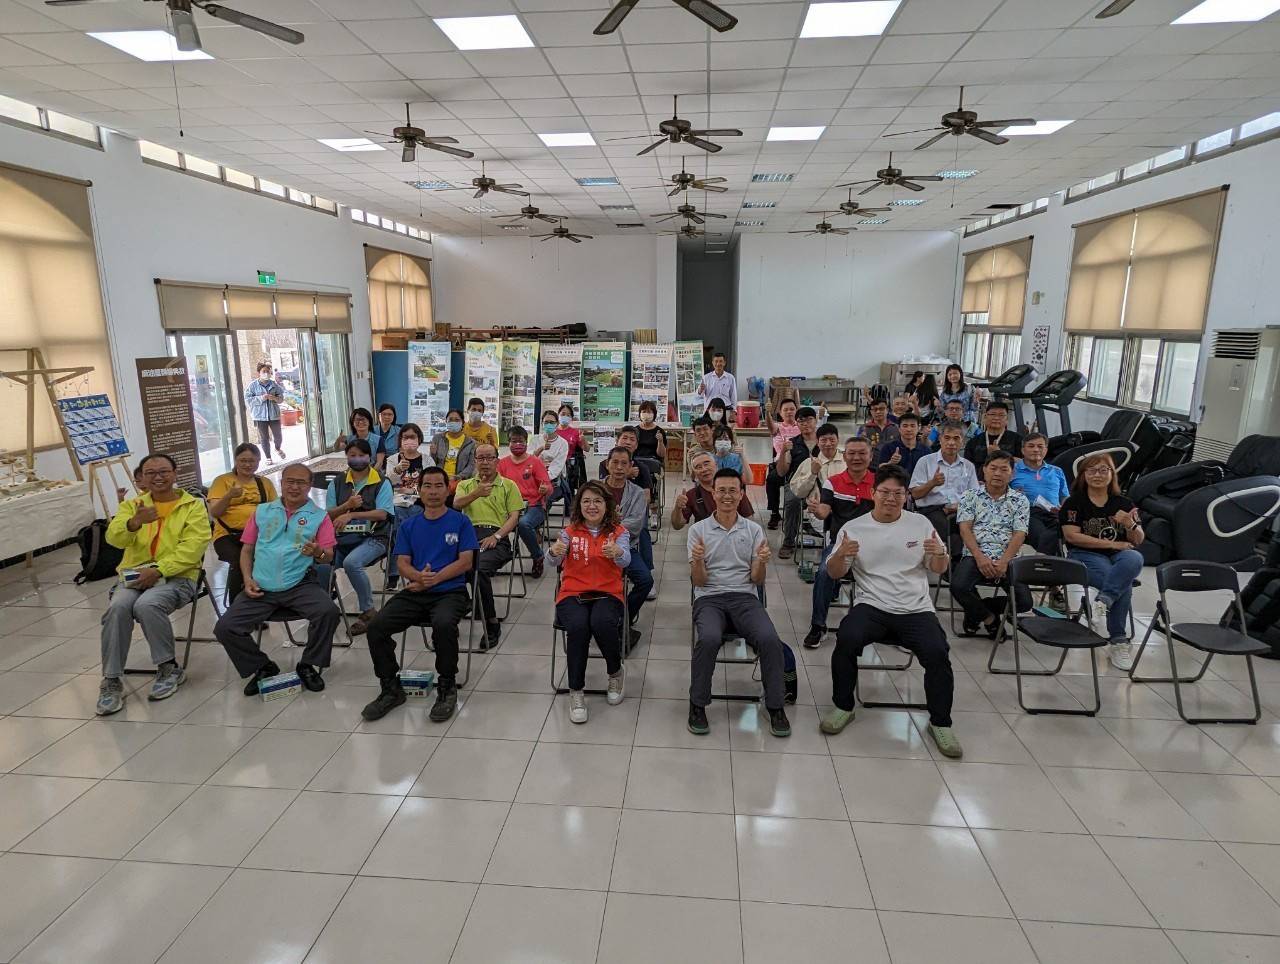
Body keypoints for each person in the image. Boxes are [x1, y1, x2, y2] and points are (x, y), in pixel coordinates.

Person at [817, 465, 962, 759]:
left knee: (937, 652)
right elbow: (833, 573)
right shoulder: (854, 529)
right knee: (847, 639)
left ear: (906, 496)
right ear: (873, 493)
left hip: (916, 607)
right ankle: (843, 706)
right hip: (872, 605)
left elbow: (938, 568)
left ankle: (941, 723)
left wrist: (939, 555)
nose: (891, 499)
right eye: (885, 492)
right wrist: (841, 555)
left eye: (898, 493)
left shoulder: (920, 524)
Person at [361, 467, 479, 724]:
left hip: (450, 591)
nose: (433, 491)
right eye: (427, 486)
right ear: (419, 490)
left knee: (444, 625)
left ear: (447, 490)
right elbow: (402, 562)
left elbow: (466, 562)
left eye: (438, 486)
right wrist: (418, 578)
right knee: (377, 626)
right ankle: (390, 687)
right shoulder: (409, 525)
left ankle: (447, 685)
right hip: (416, 590)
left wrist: (434, 579)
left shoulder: (461, 522)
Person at [95, 453, 211, 715]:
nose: (158, 477)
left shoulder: (192, 507)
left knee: (148, 605)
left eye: (163, 471)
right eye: (151, 473)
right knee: (118, 608)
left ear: (175, 473)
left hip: (179, 576)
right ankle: (111, 679)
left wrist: (158, 570)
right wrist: (134, 523)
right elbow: (114, 539)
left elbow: (193, 549)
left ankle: (169, 668)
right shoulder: (133, 506)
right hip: (134, 576)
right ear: (142, 478)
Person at [213, 463, 340, 696]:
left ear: (310, 485)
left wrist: (317, 552)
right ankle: (262, 666)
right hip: (262, 585)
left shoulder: (319, 517)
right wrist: (247, 578)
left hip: (300, 583)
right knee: (225, 628)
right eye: (289, 481)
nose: (294, 487)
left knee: (328, 613)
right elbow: (246, 550)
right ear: (281, 483)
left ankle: (308, 664)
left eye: (301, 482)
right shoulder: (262, 511)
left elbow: (328, 557)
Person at [687, 469, 790, 739]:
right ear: (713, 493)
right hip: (709, 598)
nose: (727, 496)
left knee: (769, 639)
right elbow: (699, 582)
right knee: (708, 638)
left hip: (745, 598)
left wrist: (762, 562)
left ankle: (775, 706)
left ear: (742, 494)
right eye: (721, 490)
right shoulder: (698, 531)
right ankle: (698, 704)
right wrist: (697, 560)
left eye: (733, 490)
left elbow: (757, 579)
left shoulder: (753, 530)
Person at [549, 481, 629, 724]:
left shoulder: (619, 532)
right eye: (586, 501)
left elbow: (626, 561)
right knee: (578, 627)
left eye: (597, 501)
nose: (592, 506)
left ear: (607, 505)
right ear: (579, 506)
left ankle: (615, 672)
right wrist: (553, 552)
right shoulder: (569, 532)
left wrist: (617, 553)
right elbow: (552, 561)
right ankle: (576, 691)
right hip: (573, 593)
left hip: (608, 592)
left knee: (602, 622)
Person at [1062, 453, 1146, 670]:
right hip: (1084, 556)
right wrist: (1113, 544)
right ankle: (1118, 640)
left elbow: (1138, 540)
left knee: (1135, 557)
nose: (1097, 475)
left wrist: (1130, 525)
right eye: (1091, 470)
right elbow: (1072, 537)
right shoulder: (1074, 503)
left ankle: (1103, 601)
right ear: (1083, 475)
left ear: (1112, 474)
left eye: (1103, 470)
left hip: (1119, 556)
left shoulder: (1124, 503)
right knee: (1123, 583)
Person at [953, 451, 1033, 638]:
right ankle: (989, 618)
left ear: (1012, 473)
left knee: (1024, 603)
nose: (998, 473)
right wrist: (980, 558)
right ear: (984, 470)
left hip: (1008, 557)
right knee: (958, 586)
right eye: (993, 468)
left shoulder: (1020, 500)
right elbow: (965, 530)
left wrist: (1004, 561)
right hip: (976, 554)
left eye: (1004, 469)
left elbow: (1020, 533)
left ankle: (977, 610)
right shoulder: (970, 495)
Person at [804, 438, 876, 648]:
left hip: (875, 547)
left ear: (871, 456)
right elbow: (824, 511)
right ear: (844, 457)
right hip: (840, 546)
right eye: (851, 453)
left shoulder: (879, 482)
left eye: (862, 453)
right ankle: (818, 626)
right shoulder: (833, 482)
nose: (856, 458)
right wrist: (817, 509)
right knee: (823, 572)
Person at [319, 439, 393, 635]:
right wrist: (346, 506)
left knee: (352, 563)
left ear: (370, 457)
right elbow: (328, 515)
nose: (357, 459)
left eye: (362, 455)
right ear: (347, 457)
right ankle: (323, 607)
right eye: (353, 455)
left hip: (375, 537)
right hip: (341, 539)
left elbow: (382, 514)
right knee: (320, 560)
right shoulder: (337, 483)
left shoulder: (381, 482)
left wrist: (352, 514)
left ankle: (368, 612)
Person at [454, 443, 523, 647]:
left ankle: (491, 623)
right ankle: (454, 612)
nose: (485, 462)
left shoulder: (508, 485)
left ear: (497, 461)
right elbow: (457, 504)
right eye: (480, 458)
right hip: (468, 536)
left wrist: (497, 536)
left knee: (478, 569)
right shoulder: (465, 485)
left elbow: (514, 517)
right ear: (475, 461)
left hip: (496, 536)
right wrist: (476, 493)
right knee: (445, 565)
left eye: (489, 458)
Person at [207, 443, 277, 605]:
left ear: (258, 461)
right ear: (236, 461)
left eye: (252, 461)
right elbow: (215, 512)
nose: (247, 465)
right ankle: (237, 607)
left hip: (259, 535)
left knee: (270, 558)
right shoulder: (222, 481)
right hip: (227, 536)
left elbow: (276, 511)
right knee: (240, 561)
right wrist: (229, 496)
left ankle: (264, 602)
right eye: (243, 461)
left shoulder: (264, 483)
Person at [601, 445, 654, 643]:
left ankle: (623, 617)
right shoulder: (594, 488)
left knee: (645, 580)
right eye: (615, 462)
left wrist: (607, 524)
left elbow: (636, 524)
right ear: (607, 464)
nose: (619, 467)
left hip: (625, 547)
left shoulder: (637, 493)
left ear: (631, 466)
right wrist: (614, 523)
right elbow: (581, 517)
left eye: (624, 463)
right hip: (594, 546)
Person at [499, 425, 553, 578]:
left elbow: (548, 487)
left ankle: (537, 556)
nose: (517, 444)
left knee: (523, 524)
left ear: (526, 442)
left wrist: (545, 489)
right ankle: (496, 556)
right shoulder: (502, 464)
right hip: (508, 507)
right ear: (508, 443)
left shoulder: (535, 462)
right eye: (514, 441)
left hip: (533, 506)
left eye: (520, 441)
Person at [910, 422, 980, 538]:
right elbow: (915, 494)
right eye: (947, 438)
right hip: (932, 510)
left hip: (961, 510)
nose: (951, 442)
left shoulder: (968, 466)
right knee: (943, 525)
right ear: (940, 439)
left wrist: (959, 506)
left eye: (956, 438)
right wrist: (932, 483)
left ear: (962, 441)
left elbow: (975, 497)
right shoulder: (925, 461)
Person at [1011, 432, 1070, 555]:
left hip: (1053, 512)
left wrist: (1064, 509)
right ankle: (1055, 560)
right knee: (1042, 534)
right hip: (1026, 513)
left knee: (1062, 530)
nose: (1036, 450)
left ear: (1046, 450)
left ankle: (1043, 557)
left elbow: (1064, 496)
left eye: (1040, 446)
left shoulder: (1057, 471)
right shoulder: (1012, 470)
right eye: (1031, 446)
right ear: (1022, 450)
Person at [774, 405, 820, 559]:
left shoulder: (824, 442)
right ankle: (788, 542)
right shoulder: (792, 444)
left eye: (809, 420)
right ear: (797, 424)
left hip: (820, 484)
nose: (805, 424)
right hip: (796, 484)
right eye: (801, 421)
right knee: (793, 501)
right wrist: (783, 452)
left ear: (816, 420)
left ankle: (832, 538)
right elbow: (781, 472)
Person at [672, 451, 754, 529]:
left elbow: (749, 521)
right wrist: (677, 508)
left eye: (706, 464)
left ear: (716, 465)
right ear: (695, 473)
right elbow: (677, 525)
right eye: (698, 467)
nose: (704, 469)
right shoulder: (691, 495)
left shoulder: (734, 489)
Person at [386, 423, 433, 524]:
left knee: (417, 513)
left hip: (420, 501)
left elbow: (431, 484)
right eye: (405, 437)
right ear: (400, 440)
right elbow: (387, 484)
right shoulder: (392, 460)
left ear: (419, 439)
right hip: (397, 502)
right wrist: (397, 469)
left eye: (412, 437)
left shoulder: (428, 460)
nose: (409, 440)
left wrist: (413, 491)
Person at [765, 398, 800, 530]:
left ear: (796, 410)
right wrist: (768, 413)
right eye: (785, 410)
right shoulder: (777, 427)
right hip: (781, 463)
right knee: (771, 479)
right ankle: (775, 513)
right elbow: (770, 426)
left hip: (798, 464)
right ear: (780, 413)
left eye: (792, 409)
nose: (789, 412)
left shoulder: (801, 426)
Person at [788, 422, 844, 504]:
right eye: (823, 440)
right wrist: (812, 474)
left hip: (843, 509)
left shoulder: (847, 461)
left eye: (832, 440)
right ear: (817, 442)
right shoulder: (808, 463)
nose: (828, 444)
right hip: (816, 509)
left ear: (838, 440)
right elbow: (798, 492)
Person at [243, 362, 285, 462]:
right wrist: (261, 398)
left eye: (268, 371)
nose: (266, 373)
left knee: (278, 436)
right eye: (264, 371)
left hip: (274, 415)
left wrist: (274, 398)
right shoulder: (253, 386)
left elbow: (281, 399)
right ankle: (268, 457)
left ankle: (277, 448)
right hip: (259, 416)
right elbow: (248, 400)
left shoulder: (274, 384)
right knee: (264, 438)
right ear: (259, 373)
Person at [964, 400, 1023, 470]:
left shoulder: (1017, 439)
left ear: (1007, 419)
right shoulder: (973, 442)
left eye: (1001, 415)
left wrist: (1000, 454)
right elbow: (967, 467)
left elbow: (1025, 463)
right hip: (978, 476)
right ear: (985, 417)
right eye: (992, 414)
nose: (996, 418)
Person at [533, 411, 571, 507]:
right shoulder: (535, 439)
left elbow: (556, 468)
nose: (549, 425)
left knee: (544, 496)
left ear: (557, 424)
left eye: (552, 422)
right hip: (533, 478)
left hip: (554, 481)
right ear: (542, 424)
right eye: (546, 422)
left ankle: (540, 513)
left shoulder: (563, 443)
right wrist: (541, 449)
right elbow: (528, 461)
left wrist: (543, 479)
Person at [431, 408, 476, 483]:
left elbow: (471, 465)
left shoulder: (471, 443)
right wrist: (433, 454)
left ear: (463, 423)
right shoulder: (437, 438)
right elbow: (432, 463)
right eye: (450, 420)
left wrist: (458, 477)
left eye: (457, 420)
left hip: (460, 481)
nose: (453, 422)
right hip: (439, 479)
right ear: (446, 421)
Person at [556, 403, 586, 494]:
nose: (565, 416)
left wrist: (583, 440)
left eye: (568, 415)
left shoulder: (575, 432)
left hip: (570, 467)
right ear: (558, 415)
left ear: (571, 418)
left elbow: (587, 449)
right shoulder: (553, 431)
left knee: (569, 491)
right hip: (555, 465)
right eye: (563, 414)